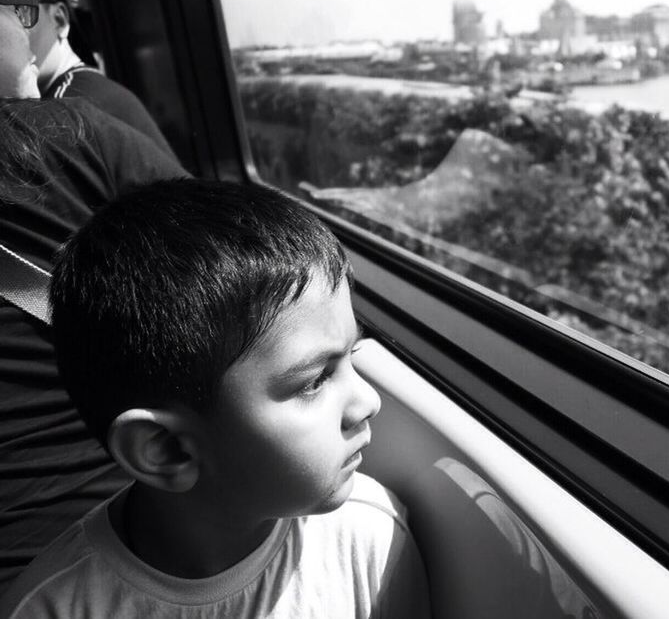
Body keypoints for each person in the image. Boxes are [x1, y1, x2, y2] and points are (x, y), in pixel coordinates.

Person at [0, 179, 431, 617]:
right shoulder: (51, 608)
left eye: (351, 355)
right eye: (315, 380)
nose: (368, 401)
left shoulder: (371, 538)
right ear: (167, 450)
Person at [0, 0, 189, 595]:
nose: (22, 29)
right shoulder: (71, 135)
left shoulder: (88, 108)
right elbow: (229, 260)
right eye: (11, 8)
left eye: (27, 9)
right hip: (112, 549)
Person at [18, 0, 175, 155]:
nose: (11, 28)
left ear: (59, 19)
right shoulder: (86, 89)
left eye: (21, 11)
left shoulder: (64, 111)